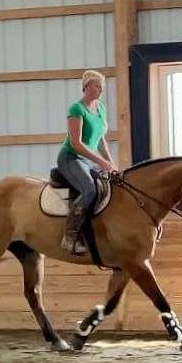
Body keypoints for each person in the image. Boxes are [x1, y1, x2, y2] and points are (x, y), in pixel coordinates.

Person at [57, 70, 117, 256]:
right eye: (97, 85)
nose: (101, 90)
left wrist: (110, 163)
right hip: (72, 157)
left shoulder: (101, 108)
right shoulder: (77, 109)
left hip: (89, 160)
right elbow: (76, 143)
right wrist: (101, 161)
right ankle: (70, 236)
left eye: (102, 86)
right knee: (90, 190)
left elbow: (100, 140)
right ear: (86, 86)